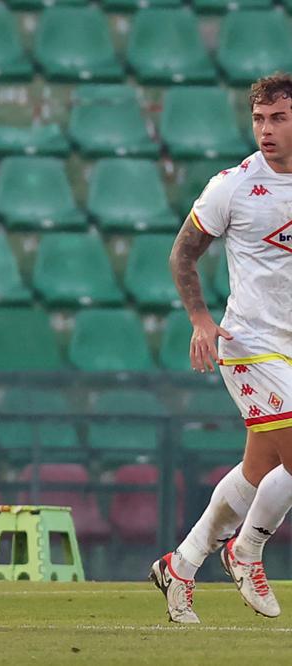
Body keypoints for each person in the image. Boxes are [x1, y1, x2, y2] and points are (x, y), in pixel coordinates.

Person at [151, 73, 292, 623]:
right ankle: (247, 549)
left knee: (259, 472)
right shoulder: (232, 186)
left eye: (278, 118)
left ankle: (181, 564)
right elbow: (182, 255)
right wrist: (201, 319)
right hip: (249, 344)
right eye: (259, 118)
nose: (266, 129)